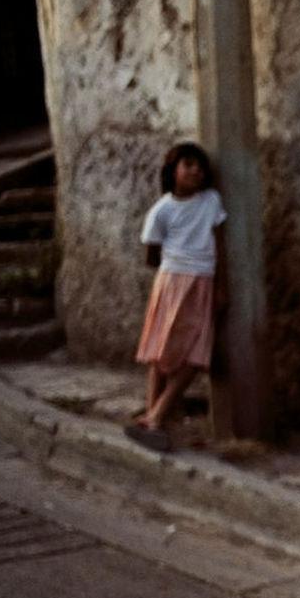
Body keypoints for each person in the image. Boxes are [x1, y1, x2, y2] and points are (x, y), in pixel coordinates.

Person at [124, 142, 227, 452]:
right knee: (160, 349)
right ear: (173, 170)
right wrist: (175, 270)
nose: (195, 170)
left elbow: (220, 246)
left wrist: (222, 286)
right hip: (171, 280)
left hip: (203, 280)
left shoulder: (211, 201)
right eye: (188, 164)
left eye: (200, 166)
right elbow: (151, 253)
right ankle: (154, 417)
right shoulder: (162, 210)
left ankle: (156, 414)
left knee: (196, 353)